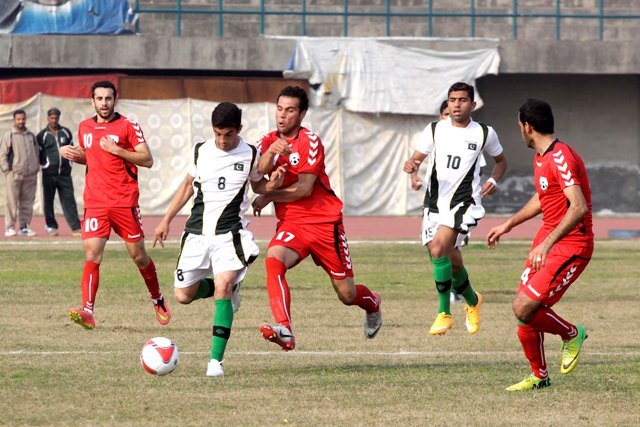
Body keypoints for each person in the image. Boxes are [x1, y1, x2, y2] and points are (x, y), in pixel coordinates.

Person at [153, 102, 285, 377]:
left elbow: (259, 186)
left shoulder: (250, 153)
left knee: (223, 285)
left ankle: (215, 361)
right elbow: (188, 186)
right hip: (197, 233)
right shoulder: (201, 150)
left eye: (228, 134)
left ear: (239, 129)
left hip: (230, 233)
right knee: (182, 295)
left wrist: (273, 185)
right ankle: (227, 289)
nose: (222, 140)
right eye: (217, 134)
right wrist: (166, 220)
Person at [252, 85, 382, 351]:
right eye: (279, 109)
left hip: (324, 223)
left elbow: (304, 188)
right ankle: (285, 329)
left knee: (346, 294)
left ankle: (372, 303)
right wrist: (270, 155)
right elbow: (257, 182)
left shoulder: (310, 142)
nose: (282, 116)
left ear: (301, 114)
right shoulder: (265, 142)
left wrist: (271, 195)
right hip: (292, 224)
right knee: (273, 261)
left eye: (289, 110)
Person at [487, 99, 593, 391]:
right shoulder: (542, 156)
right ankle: (539, 376)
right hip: (549, 240)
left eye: (519, 126)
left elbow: (578, 206)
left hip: (572, 245)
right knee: (526, 310)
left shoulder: (561, 157)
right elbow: (543, 197)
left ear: (527, 126)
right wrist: (508, 224)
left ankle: (572, 333)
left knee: (524, 307)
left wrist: (546, 245)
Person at [60, 80, 171, 330]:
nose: (104, 103)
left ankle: (158, 299)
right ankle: (88, 310)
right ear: (92, 102)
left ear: (115, 100)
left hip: (124, 203)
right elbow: (94, 158)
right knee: (92, 255)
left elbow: (147, 159)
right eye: (99, 99)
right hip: (95, 203)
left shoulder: (128, 126)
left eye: (108, 98)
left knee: (139, 257)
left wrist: (117, 150)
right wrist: (77, 156)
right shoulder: (84, 127)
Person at [403, 82, 507, 336]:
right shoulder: (435, 129)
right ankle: (472, 300)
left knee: (439, 248)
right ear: (447, 104)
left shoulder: (484, 133)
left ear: (472, 105)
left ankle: (444, 313)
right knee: (449, 258)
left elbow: (501, 161)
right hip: (435, 203)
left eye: (462, 100)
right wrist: (412, 167)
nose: (456, 104)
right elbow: (416, 159)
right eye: (452, 100)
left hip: (465, 202)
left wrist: (493, 180)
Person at [36, 107, 82, 236]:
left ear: (59, 118)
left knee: (69, 200)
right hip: (49, 174)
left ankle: (76, 227)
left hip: (65, 174)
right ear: (48, 118)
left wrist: (70, 164)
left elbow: (73, 149)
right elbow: (38, 153)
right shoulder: (42, 135)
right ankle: (51, 226)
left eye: (56, 118)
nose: (54, 120)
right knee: (48, 201)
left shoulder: (65, 132)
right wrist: (45, 165)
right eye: (51, 118)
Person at [0, 109, 39, 237]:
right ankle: (9, 227)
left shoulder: (31, 135)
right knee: (11, 202)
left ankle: (24, 227)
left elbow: (36, 152)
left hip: (30, 175)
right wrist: (7, 170)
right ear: (14, 120)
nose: (21, 121)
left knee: (27, 202)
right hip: (14, 174)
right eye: (18, 119)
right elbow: (3, 155)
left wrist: (35, 167)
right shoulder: (9, 135)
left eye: (23, 119)